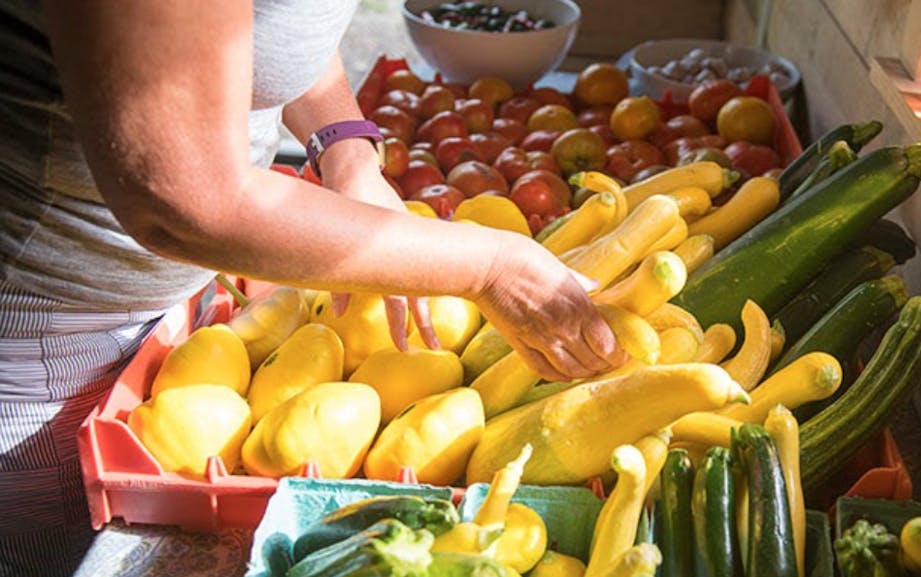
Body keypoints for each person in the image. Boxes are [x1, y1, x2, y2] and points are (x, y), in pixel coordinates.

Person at [0, 1, 626, 574]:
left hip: (161, 309)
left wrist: (345, 146)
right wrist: (488, 267)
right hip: (41, 342)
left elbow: (274, 26)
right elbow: (182, 200)